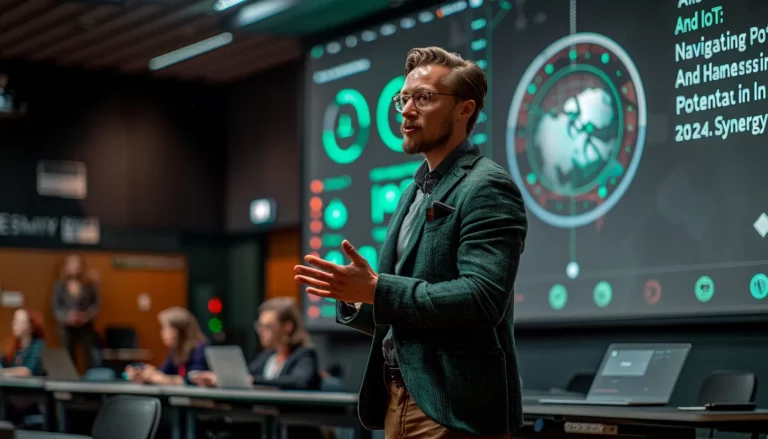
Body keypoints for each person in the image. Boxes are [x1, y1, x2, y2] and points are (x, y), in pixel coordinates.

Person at [294, 46, 527, 438]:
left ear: (464, 109)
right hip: (398, 397)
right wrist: (358, 296)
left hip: (452, 408)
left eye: (423, 98)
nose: (405, 110)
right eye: (403, 98)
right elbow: (406, 316)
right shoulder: (412, 191)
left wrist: (380, 289)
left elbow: (482, 298)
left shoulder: (487, 186)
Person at [191, 297, 321, 390]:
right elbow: (246, 376)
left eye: (268, 326)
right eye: (259, 326)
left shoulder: (304, 354)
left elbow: (299, 381)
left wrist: (252, 380)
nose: (261, 331)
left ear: (287, 327)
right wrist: (218, 378)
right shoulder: (268, 355)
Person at [125, 306, 208, 385]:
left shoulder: (199, 349)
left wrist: (161, 378)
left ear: (178, 330)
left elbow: (195, 379)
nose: (161, 333)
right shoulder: (176, 351)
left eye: (164, 328)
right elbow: (163, 372)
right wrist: (145, 372)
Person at [52, 254, 100, 371]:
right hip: (66, 328)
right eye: (71, 264)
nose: (74, 267)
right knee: (68, 356)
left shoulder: (89, 284)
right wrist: (67, 317)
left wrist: (86, 316)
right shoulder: (60, 285)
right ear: (66, 267)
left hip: (86, 327)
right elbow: (56, 307)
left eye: (77, 264)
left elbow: (96, 305)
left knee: (88, 356)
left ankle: (90, 382)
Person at [1, 309, 46, 377]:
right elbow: (2, 363)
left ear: (30, 327)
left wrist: (3, 372)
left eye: (20, 322)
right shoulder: (13, 346)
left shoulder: (38, 346)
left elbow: (26, 372)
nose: (14, 324)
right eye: (14, 320)